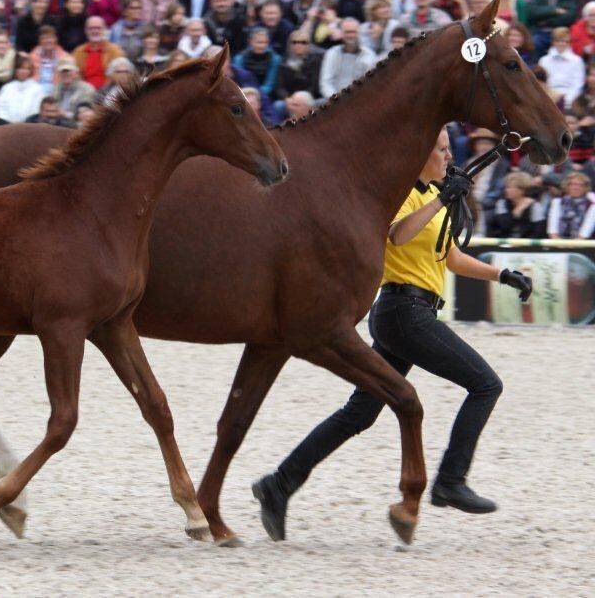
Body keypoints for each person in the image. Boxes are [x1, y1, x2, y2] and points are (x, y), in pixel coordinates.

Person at [253, 130, 532, 541]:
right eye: (440, 149)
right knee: (486, 384)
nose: (448, 155)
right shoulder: (401, 194)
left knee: (360, 412)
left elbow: (451, 258)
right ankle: (450, 480)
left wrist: (502, 274)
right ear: (421, 155)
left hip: (407, 315)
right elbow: (396, 235)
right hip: (405, 312)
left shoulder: (435, 203)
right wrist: (440, 198)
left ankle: (279, 483)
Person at [318, 18, 377, 98]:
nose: (351, 35)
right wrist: (335, 99)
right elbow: (326, 82)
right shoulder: (332, 53)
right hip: (333, 101)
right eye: (347, 32)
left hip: (360, 100)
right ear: (341, 33)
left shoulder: (369, 55)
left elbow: (371, 83)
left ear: (359, 33)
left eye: (353, 32)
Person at [488, 171, 549, 238]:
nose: (506, 190)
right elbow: (504, 226)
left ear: (521, 190)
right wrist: (517, 211)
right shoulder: (502, 203)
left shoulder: (534, 206)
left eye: (509, 187)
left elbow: (539, 231)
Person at [0, 54, 44, 123]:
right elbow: (1, 108)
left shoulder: (37, 88)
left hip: (30, 126)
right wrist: (8, 122)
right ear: (15, 69)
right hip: (8, 126)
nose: (23, 71)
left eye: (27, 69)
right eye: (21, 68)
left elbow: (37, 110)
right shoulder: (6, 88)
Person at [547, 172, 595, 239]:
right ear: (567, 186)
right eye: (572, 184)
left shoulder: (591, 204)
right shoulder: (557, 202)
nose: (576, 187)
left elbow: (587, 229)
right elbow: (552, 228)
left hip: (583, 244)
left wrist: (573, 245)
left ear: (585, 188)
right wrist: (558, 243)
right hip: (558, 243)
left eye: (580, 185)